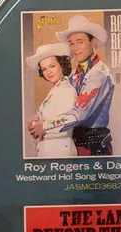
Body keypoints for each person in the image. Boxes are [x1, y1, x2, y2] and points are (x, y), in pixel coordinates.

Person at [29, 14, 114, 155]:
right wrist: (38, 118)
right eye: (71, 43)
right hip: (76, 139)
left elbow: (79, 113)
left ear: (93, 42)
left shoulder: (99, 74)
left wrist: (44, 126)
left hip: (94, 142)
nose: (75, 48)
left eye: (80, 42)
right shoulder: (74, 75)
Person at [26, 43, 77, 157]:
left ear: (62, 66)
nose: (48, 72)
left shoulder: (66, 90)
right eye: (44, 69)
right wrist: (34, 124)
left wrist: (42, 126)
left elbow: (70, 120)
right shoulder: (55, 90)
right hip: (48, 149)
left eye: (52, 66)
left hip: (61, 150)